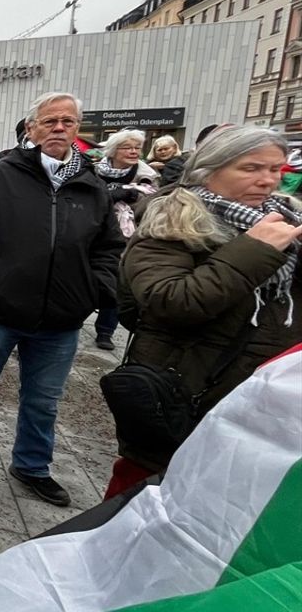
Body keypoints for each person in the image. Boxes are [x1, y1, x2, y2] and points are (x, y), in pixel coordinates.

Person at [0, 92, 124, 507]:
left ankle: (31, 465)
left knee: (43, 401)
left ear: (78, 130)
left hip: (61, 318)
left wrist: (94, 290)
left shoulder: (92, 185)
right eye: (49, 122)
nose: (58, 128)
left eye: (67, 122)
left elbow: (109, 247)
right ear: (30, 129)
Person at [105, 126, 301, 498]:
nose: (267, 181)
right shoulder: (172, 220)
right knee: (138, 508)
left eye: (276, 170)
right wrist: (254, 250)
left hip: (263, 409)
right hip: (182, 398)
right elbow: (169, 300)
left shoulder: (285, 221)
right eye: (251, 168)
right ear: (210, 169)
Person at [92, 128, 159, 350]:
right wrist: (113, 194)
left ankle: (105, 330)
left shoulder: (146, 174)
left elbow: (154, 204)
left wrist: (136, 198)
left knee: (117, 279)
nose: (133, 151)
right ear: (113, 150)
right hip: (95, 229)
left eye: (137, 147)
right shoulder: (94, 171)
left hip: (128, 235)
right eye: (127, 147)